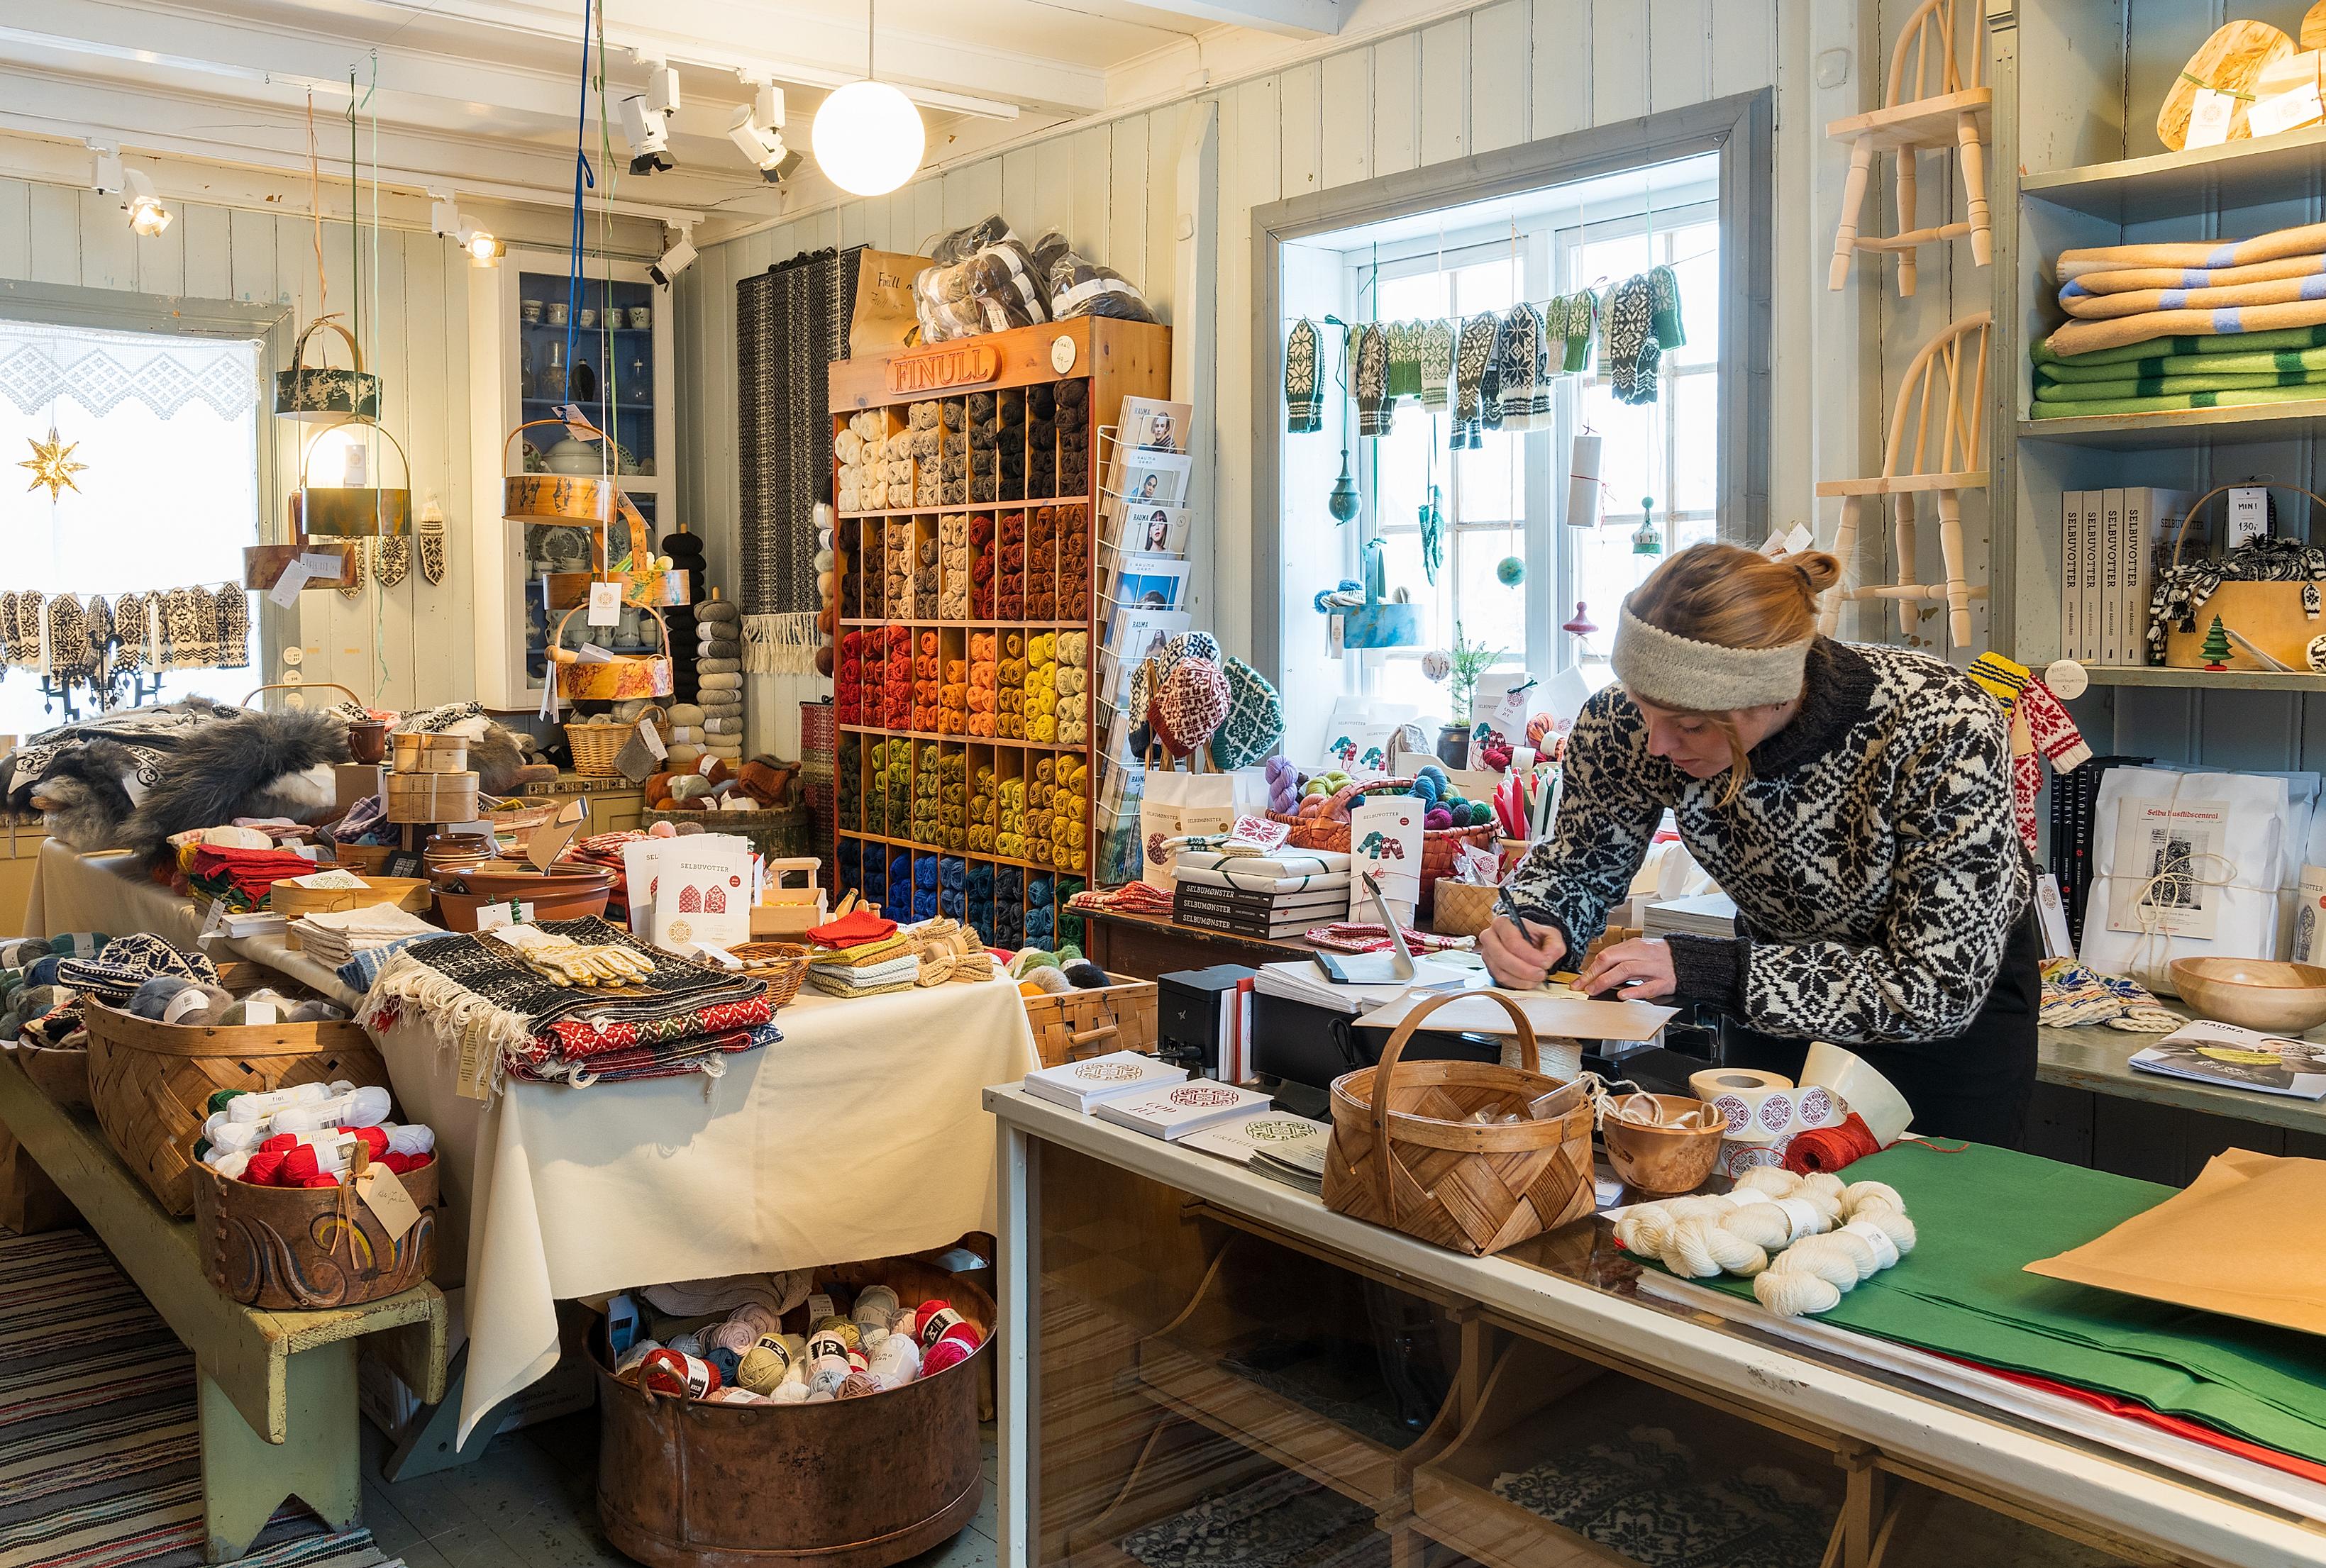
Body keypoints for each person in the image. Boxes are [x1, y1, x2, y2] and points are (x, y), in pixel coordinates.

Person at [1482, 543, 2034, 1146]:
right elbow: (1579, 863)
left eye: (1691, 725)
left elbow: (1934, 988)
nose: (1658, 744)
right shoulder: (1624, 725)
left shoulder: (1943, 724)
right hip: (1770, 984)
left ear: (1775, 693)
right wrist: (1538, 919)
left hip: (1936, 1018)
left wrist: (1706, 969)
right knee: (1756, 1197)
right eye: (1644, 710)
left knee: (1922, 1215)